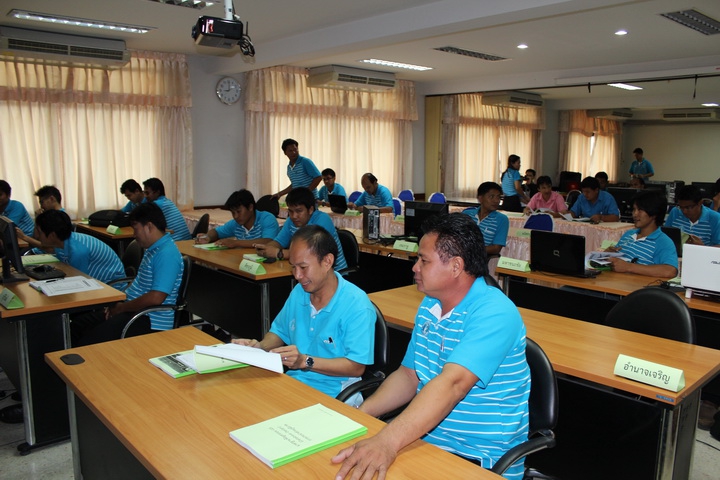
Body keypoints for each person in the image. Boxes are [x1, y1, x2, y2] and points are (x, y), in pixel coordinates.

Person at [333, 213, 530, 479]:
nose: (415, 268)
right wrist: (360, 414)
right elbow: (408, 375)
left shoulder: (495, 313)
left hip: (479, 456)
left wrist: (388, 440)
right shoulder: (431, 304)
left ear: (456, 266)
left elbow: (452, 385)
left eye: (424, 261)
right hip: (427, 438)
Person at [233, 225, 375, 404]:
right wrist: (259, 347)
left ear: (327, 261)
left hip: (335, 394)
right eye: (293, 267)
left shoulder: (357, 305)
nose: (297, 276)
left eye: (303, 267)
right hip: (295, 384)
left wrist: (305, 361)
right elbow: (279, 332)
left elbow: (356, 367)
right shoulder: (300, 292)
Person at [72, 203, 184, 346]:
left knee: (89, 342)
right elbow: (139, 285)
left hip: (149, 319)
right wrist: (116, 304)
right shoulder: (153, 249)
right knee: (78, 325)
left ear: (149, 227)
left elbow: (156, 298)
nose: (134, 234)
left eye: (136, 229)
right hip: (134, 310)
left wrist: (121, 308)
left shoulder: (166, 254)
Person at [255, 187, 348, 271]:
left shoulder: (322, 219)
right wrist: (266, 249)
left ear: (310, 210)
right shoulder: (291, 221)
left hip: (334, 274)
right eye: (290, 211)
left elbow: (310, 253)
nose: (294, 216)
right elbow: (279, 242)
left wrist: (278, 253)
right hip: (307, 271)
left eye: (299, 211)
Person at [34, 210, 126, 284]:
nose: (37, 236)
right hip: (92, 282)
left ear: (52, 235)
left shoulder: (77, 251)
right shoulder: (62, 242)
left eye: (39, 232)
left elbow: (79, 281)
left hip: (110, 287)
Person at [605, 191, 678, 278]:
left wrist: (629, 267)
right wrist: (609, 255)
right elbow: (618, 263)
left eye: (640, 210)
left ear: (654, 213)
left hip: (636, 285)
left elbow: (670, 271)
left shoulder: (663, 242)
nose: (635, 214)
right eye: (634, 209)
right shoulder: (628, 234)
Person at [195, 189, 279, 248]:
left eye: (239, 212)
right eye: (233, 213)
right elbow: (216, 232)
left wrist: (235, 243)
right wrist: (208, 237)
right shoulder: (235, 223)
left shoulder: (267, 218)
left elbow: (268, 241)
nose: (235, 216)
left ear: (250, 207)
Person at [462, 182, 508, 256]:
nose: (496, 201)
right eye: (491, 196)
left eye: (498, 197)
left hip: (480, 257)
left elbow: (496, 249)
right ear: (480, 198)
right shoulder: (467, 214)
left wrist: (472, 250)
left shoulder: (502, 219)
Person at [142, 177, 192, 241]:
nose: (145, 196)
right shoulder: (166, 201)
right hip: (185, 240)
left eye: (147, 193)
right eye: (144, 193)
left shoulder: (157, 204)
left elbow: (139, 215)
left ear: (157, 192)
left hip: (176, 242)